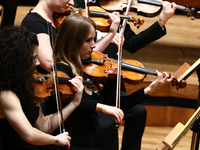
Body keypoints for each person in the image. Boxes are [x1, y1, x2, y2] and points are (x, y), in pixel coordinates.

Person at [38, 14, 173, 150]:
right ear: (73, 42)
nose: (94, 45)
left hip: (86, 141)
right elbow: (66, 102)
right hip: (67, 144)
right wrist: (100, 107)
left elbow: (115, 105)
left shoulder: (90, 70)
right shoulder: (61, 71)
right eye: (88, 41)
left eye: (93, 39)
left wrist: (148, 90)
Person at [73, 0, 177, 150]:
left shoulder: (113, 9)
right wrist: (107, 37)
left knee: (138, 112)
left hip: (107, 76)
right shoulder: (73, 6)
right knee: (106, 123)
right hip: (83, 77)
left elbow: (132, 44)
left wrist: (160, 22)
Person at [0, 26, 84, 150]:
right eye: (34, 58)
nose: (38, 63)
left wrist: (74, 103)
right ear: (19, 60)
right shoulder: (5, 93)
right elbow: (29, 134)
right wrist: (56, 139)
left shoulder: (25, 85)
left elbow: (44, 126)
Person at [21, 0, 123, 74]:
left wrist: (109, 35)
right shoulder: (33, 22)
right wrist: (110, 35)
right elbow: (49, 63)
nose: (72, 3)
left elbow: (83, 55)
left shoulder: (57, 18)